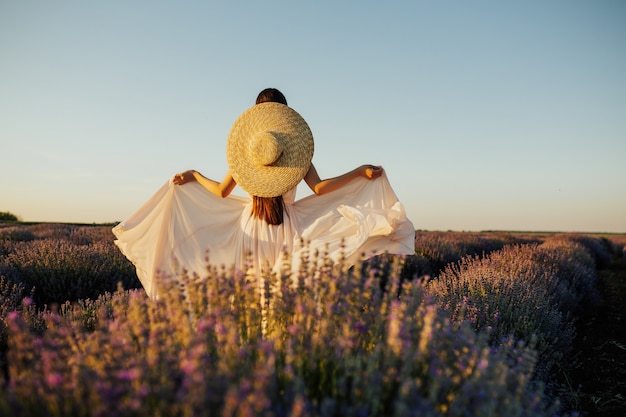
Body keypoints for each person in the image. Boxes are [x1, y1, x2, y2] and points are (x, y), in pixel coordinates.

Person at [113, 88, 415, 300]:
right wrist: (359, 171)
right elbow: (321, 189)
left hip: (251, 227)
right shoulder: (297, 155)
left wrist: (194, 175)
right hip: (285, 226)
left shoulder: (244, 156)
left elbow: (220, 191)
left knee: (249, 291)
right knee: (285, 290)